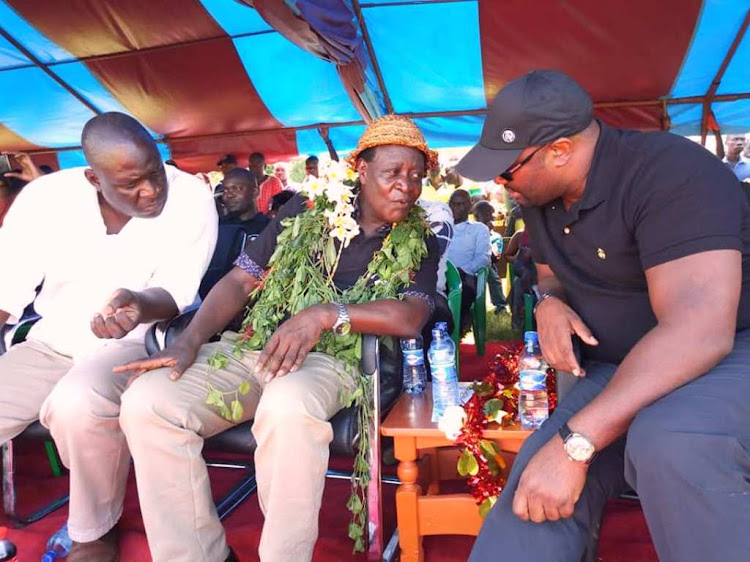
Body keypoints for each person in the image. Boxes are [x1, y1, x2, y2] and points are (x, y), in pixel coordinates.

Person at [112, 115, 440, 562]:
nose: (407, 186)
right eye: (393, 174)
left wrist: (326, 315)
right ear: (361, 171)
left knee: (286, 406)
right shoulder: (304, 210)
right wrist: (188, 340)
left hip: (335, 360)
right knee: (147, 403)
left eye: (416, 176)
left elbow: (411, 317)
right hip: (254, 344)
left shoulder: (421, 237)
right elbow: (240, 281)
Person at [456, 69, 750, 562]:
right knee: (534, 479)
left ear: (561, 151)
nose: (501, 183)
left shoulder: (670, 173)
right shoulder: (540, 193)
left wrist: (578, 442)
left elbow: (700, 329)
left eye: (508, 170)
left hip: (726, 353)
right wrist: (549, 302)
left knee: (671, 444)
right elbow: (549, 271)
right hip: (620, 365)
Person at [0, 112, 218, 561]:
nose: (152, 191)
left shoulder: (191, 196)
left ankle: (93, 534)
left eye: (155, 173)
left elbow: (176, 293)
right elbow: (7, 289)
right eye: (131, 184)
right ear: (94, 180)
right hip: (51, 342)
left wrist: (137, 303)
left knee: (77, 402)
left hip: (140, 340)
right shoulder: (44, 199)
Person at [447, 188, 491, 331]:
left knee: (461, 291)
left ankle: (456, 330)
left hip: (464, 277)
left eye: (461, 204)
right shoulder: (440, 228)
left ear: (470, 205)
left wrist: (462, 271)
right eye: (453, 204)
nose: (456, 208)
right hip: (439, 276)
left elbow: (484, 258)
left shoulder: (479, 229)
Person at [472, 200, 507, 314]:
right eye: (486, 215)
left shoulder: (495, 236)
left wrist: (486, 235)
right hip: (471, 263)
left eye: (491, 216)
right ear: (476, 217)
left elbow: (495, 257)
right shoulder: (470, 232)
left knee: (493, 276)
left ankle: (500, 305)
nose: (490, 218)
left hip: (488, 264)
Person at [220, 168, 270, 236]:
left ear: (255, 192)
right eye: (224, 190)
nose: (229, 195)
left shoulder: (269, 228)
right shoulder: (217, 227)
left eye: (237, 189)